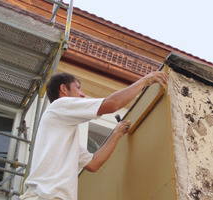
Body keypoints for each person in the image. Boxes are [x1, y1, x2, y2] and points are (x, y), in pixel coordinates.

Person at [20, 71, 168, 200]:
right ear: (63, 89)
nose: (82, 94)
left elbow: (93, 163)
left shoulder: (63, 139)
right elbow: (112, 104)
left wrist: (116, 133)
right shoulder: (60, 105)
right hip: (45, 196)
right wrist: (145, 81)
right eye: (78, 88)